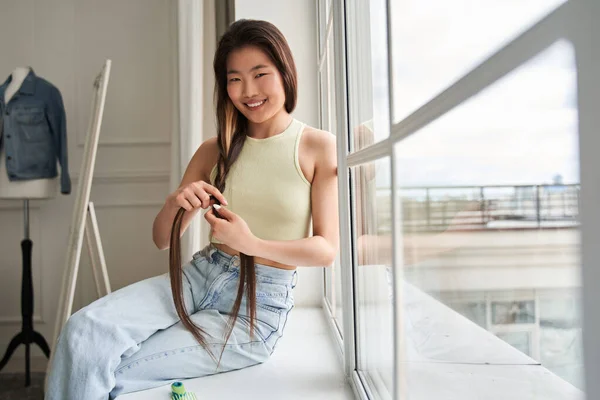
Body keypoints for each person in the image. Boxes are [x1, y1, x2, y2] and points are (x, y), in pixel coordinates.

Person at [45, 19, 339, 400]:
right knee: (81, 332)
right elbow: (160, 240)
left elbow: (326, 249)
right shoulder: (213, 149)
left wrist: (250, 242)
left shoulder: (317, 146)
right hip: (200, 275)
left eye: (260, 74)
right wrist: (176, 203)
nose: (247, 91)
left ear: (285, 71)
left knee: (112, 368)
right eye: (234, 79)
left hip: (256, 308)